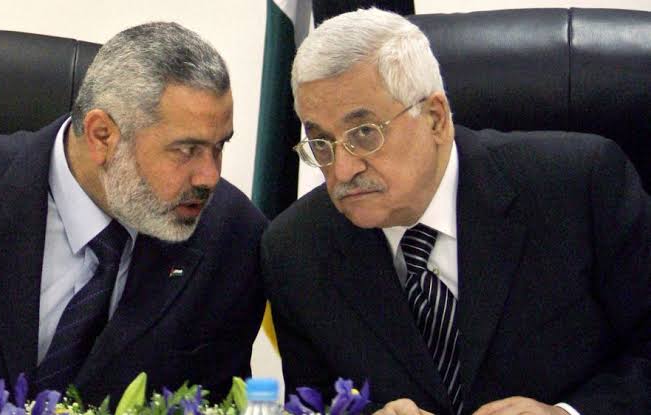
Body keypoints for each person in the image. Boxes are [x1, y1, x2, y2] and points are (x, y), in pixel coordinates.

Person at [261, 8, 649, 415]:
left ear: (435, 118)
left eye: (364, 133)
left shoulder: (579, 186)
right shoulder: (295, 250)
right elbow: (313, 403)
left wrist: (567, 414)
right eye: (321, 142)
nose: (342, 170)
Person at [0, 22, 267, 404]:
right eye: (186, 150)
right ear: (102, 135)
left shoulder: (233, 237)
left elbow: (219, 400)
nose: (209, 176)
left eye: (219, 147)